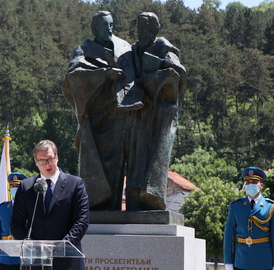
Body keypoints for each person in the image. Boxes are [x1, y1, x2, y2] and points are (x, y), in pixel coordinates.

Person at [62, 10, 139, 210]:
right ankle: (97, 206)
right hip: (97, 119)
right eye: (105, 26)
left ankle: (115, 206)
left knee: (119, 163)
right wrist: (104, 74)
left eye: (112, 25)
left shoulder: (125, 48)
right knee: (97, 163)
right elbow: (74, 76)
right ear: (94, 28)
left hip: (124, 116)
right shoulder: (83, 50)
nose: (109, 29)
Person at [123, 11, 187, 210]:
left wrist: (150, 78)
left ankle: (153, 197)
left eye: (145, 28)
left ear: (155, 29)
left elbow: (176, 77)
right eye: (139, 28)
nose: (141, 32)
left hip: (158, 114)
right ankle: (133, 199)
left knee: (154, 156)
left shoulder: (164, 49)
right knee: (135, 156)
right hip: (138, 112)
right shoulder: (132, 51)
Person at [10, 140, 89, 270]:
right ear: (36, 162)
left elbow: (82, 221)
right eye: (42, 161)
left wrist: (62, 245)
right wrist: (30, 246)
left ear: (57, 158)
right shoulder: (26, 187)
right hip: (35, 261)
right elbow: (16, 223)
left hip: (67, 260)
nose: (47, 164)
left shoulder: (75, 184)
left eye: (50, 159)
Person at [223, 167, 274, 270]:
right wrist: (228, 262)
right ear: (245, 186)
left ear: (261, 185)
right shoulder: (236, 206)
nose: (251, 185)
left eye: (254, 182)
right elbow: (229, 236)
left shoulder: (271, 206)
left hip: (264, 262)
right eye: (248, 182)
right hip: (241, 262)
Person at [0, 172, 27, 270]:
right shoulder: (2, 208)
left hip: (23, 256)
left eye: (17, 186)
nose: (14, 188)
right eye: (12, 186)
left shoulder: (30, 208)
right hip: (5, 256)